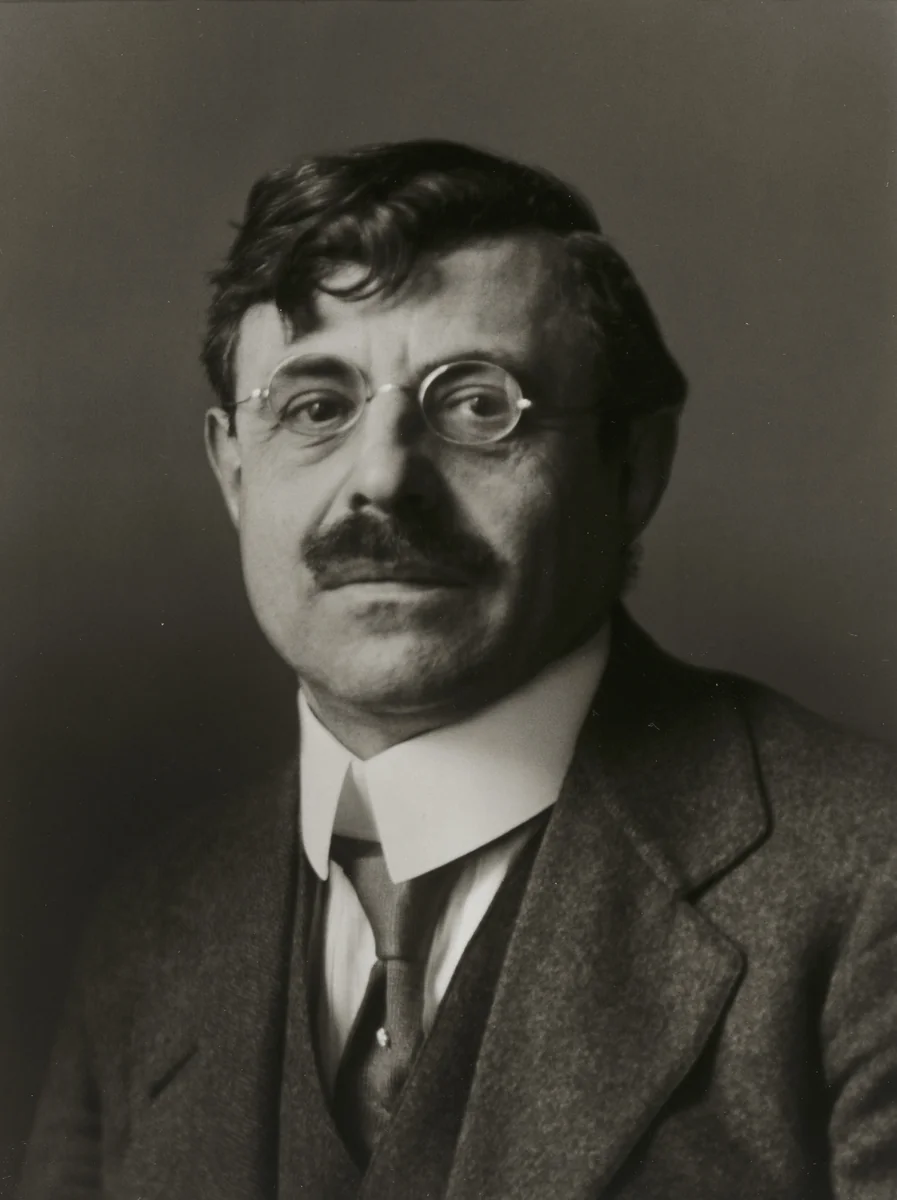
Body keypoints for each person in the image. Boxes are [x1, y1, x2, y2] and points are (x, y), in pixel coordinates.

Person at [20, 140, 897, 1200]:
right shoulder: (152, 927)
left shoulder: (864, 889)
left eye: (479, 405)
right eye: (316, 408)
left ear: (634, 468)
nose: (383, 479)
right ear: (233, 473)